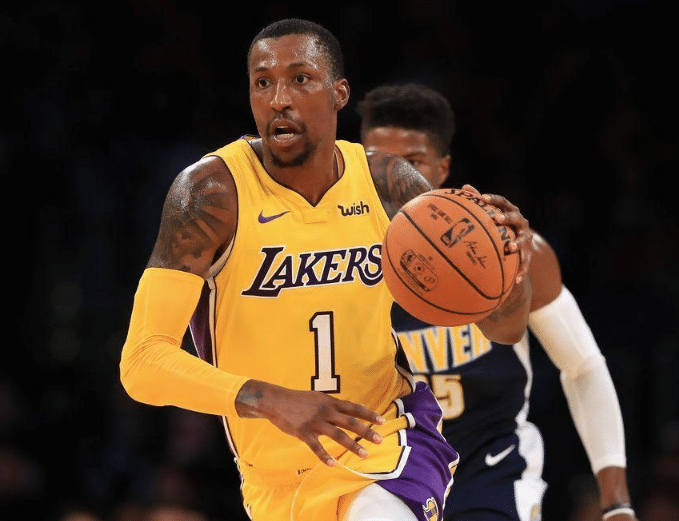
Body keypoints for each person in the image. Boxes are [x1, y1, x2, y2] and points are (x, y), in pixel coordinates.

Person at [119, 19, 534, 521]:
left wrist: (510, 275)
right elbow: (142, 363)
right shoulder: (211, 195)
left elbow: (502, 327)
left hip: (388, 440)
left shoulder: (386, 183)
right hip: (271, 477)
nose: (279, 100)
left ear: (339, 93)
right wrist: (272, 400)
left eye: (300, 79)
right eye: (262, 82)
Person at [356, 83, 637, 521]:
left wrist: (616, 504)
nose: (391, 178)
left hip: (492, 471)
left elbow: (582, 366)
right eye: (378, 161)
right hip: (382, 473)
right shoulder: (334, 259)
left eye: (411, 163)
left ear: (443, 168)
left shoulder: (510, 250)